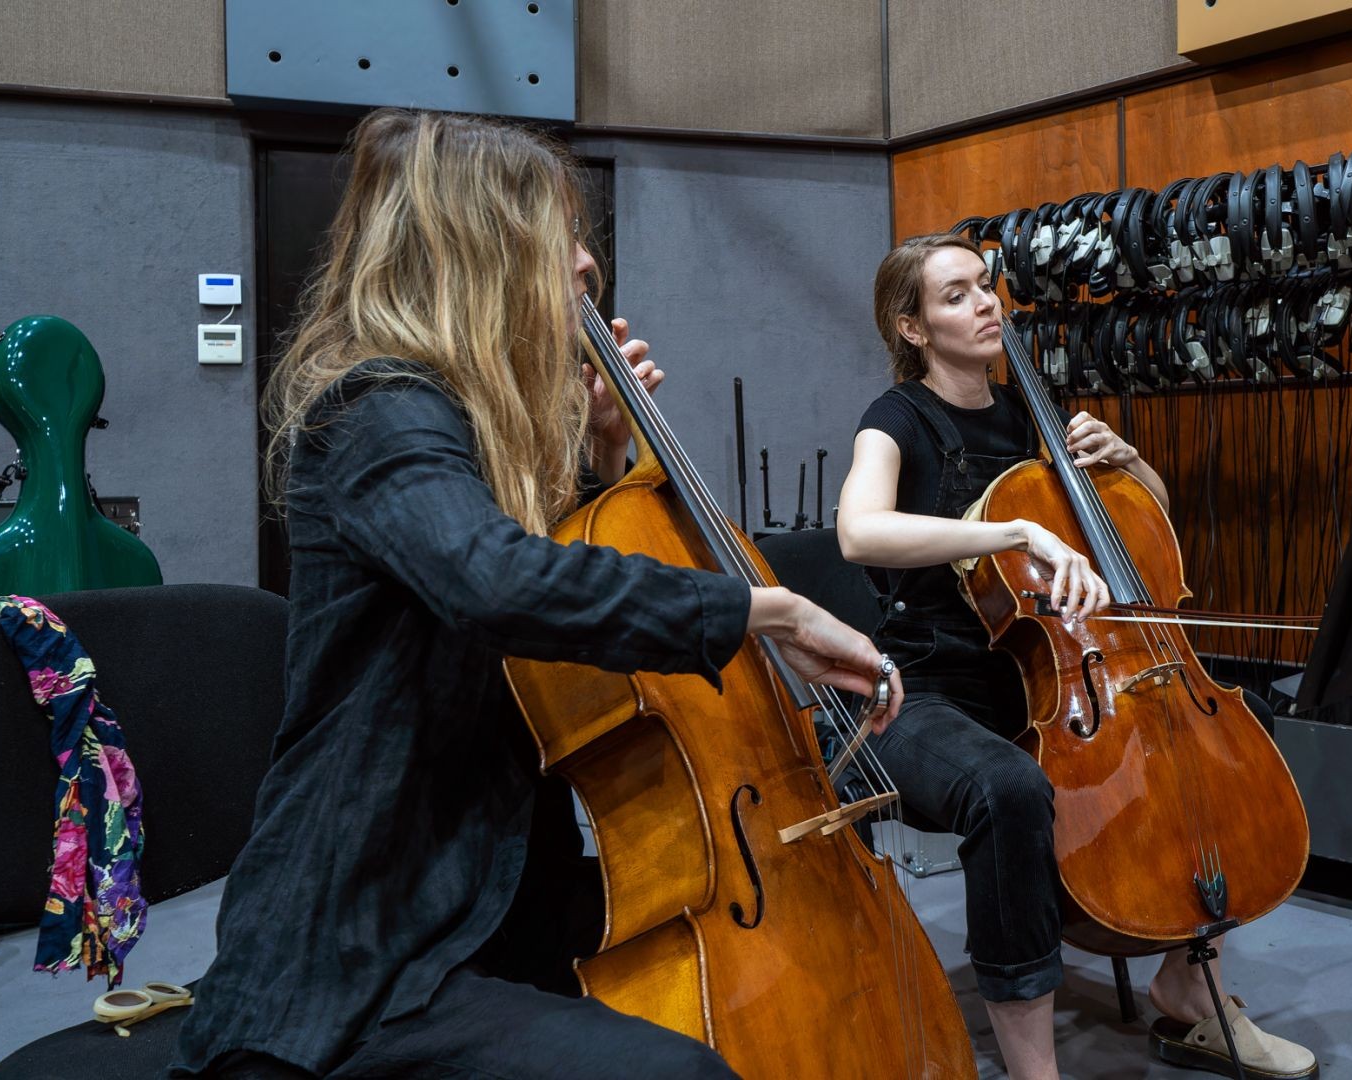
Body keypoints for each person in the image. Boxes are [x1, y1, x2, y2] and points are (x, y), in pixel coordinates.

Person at [171, 108, 898, 1079]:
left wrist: (600, 463)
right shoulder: (377, 410)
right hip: (364, 937)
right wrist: (767, 610)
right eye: (558, 238)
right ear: (479, 254)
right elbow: (498, 582)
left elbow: (546, 590)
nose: (587, 264)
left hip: (493, 878)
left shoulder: (454, 429)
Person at [835, 233, 1317, 1080]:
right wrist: (1016, 531)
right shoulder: (896, 420)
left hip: (1055, 681)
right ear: (912, 328)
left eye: (985, 286)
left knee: (1225, 740)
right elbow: (858, 531)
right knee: (1007, 787)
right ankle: (1036, 1070)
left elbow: (1144, 520)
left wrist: (1129, 462)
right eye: (956, 295)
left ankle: (1188, 982)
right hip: (927, 692)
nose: (985, 303)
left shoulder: (1034, 416)